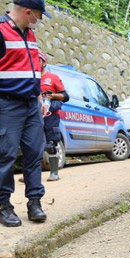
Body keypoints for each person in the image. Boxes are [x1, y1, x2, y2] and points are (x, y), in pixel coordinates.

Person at [0, 0, 52, 227]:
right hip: (7, 105)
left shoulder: (29, 34)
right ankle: (4, 206)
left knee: (33, 154)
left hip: (32, 105)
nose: (39, 21)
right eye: (38, 16)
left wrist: (39, 99)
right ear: (28, 12)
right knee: (5, 156)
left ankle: (34, 202)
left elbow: (33, 72)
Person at [38, 50, 68, 181]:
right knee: (32, 145)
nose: (36, 62)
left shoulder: (53, 77)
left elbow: (65, 96)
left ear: (44, 62)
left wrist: (53, 95)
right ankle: (31, 175)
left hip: (51, 116)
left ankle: (54, 173)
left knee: (51, 144)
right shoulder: (30, 78)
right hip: (34, 116)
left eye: (39, 60)